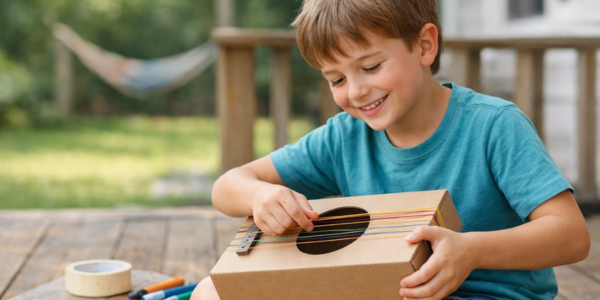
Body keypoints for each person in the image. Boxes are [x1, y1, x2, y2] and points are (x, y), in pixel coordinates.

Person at [191, 0, 590, 299]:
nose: (356, 91)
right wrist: (261, 194)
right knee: (209, 292)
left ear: (424, 46)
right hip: (385, 291)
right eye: (336, 79)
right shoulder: (344, 136)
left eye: (370, 67)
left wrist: (472, 251)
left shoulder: (494, 125)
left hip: (489, 295)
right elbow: (227, 185)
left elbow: (571, 236)